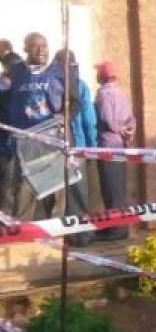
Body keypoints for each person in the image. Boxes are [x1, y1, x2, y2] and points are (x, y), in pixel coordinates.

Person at [6, 33, 70, 219]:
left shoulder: (59, 71)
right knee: (25, 192)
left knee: (56, 192)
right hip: (25, 144)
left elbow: (73, 101)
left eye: (45, 46)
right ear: (25, 49)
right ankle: (24, 240)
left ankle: (55, 239)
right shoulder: (16, 72)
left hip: (52, 141)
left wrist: (64, 116)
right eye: (36, 46)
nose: (42, 50)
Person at [53, 49, 97, 245]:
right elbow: (90, 121)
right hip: (74, 147)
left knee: (68, 193)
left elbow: (88, 120)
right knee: (76, 193)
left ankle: (76, 234)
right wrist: (92, 148)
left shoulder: (74, 86)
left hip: (67, 148)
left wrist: (92, 148)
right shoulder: (80, 86)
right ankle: (80, 235)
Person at [94, 60, 136, 241]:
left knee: (111, 189)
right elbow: (131, 120)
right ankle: (119, 227)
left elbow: (108, 119)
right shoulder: (122, 94)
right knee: (118, 188)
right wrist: (127, 132)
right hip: (121, 145)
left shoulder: (103, 94)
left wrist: (118, 129)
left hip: (108, 145)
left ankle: (116, 230)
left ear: (101, 76)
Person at [0, 50, 22, 213]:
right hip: (6, 146)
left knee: (9, 189)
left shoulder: (19, 87)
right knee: (7, 189)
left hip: (13, 146)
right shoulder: (7, 89)